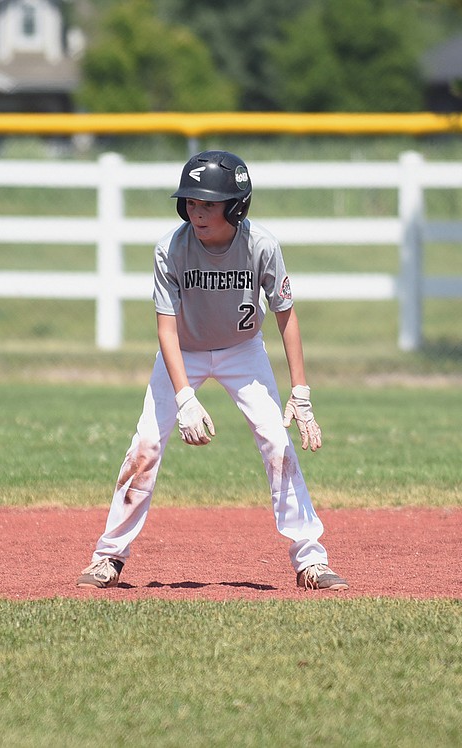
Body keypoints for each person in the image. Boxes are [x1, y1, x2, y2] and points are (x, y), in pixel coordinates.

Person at [76, 150, 347, 592]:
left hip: (244, 351)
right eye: (191, 203)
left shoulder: (262, 246)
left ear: (236, 207)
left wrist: (301, 392)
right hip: (183, 351)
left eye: (208, 203)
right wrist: (184, 397)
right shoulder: (171, 248)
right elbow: (165, 328)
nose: (197, 212)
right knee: (144, 444)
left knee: (278, 444)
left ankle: (310, 561)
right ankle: (107, 557)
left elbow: (286, 315)